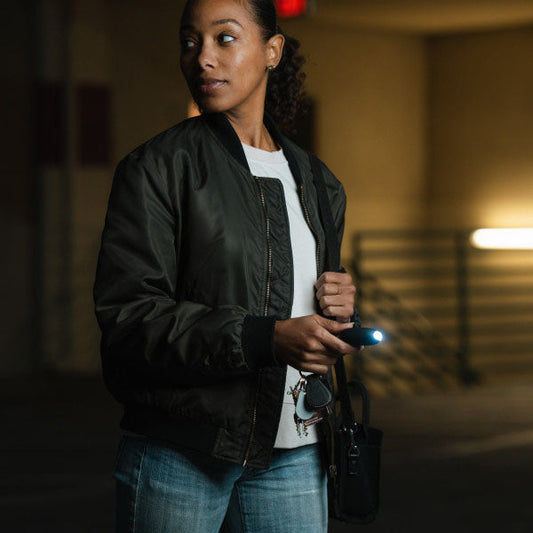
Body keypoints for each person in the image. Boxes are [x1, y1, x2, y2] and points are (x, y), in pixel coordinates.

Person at [94, 0, 359, 531]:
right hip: (183, 450)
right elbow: (129, 318)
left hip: (295, 451)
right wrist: (265, 338)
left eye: (225, 38)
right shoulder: (157, 168)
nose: (203, 58)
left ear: (272, 50)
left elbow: (292, 302)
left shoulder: (318, 181)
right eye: (189, 42)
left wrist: (338, 307)